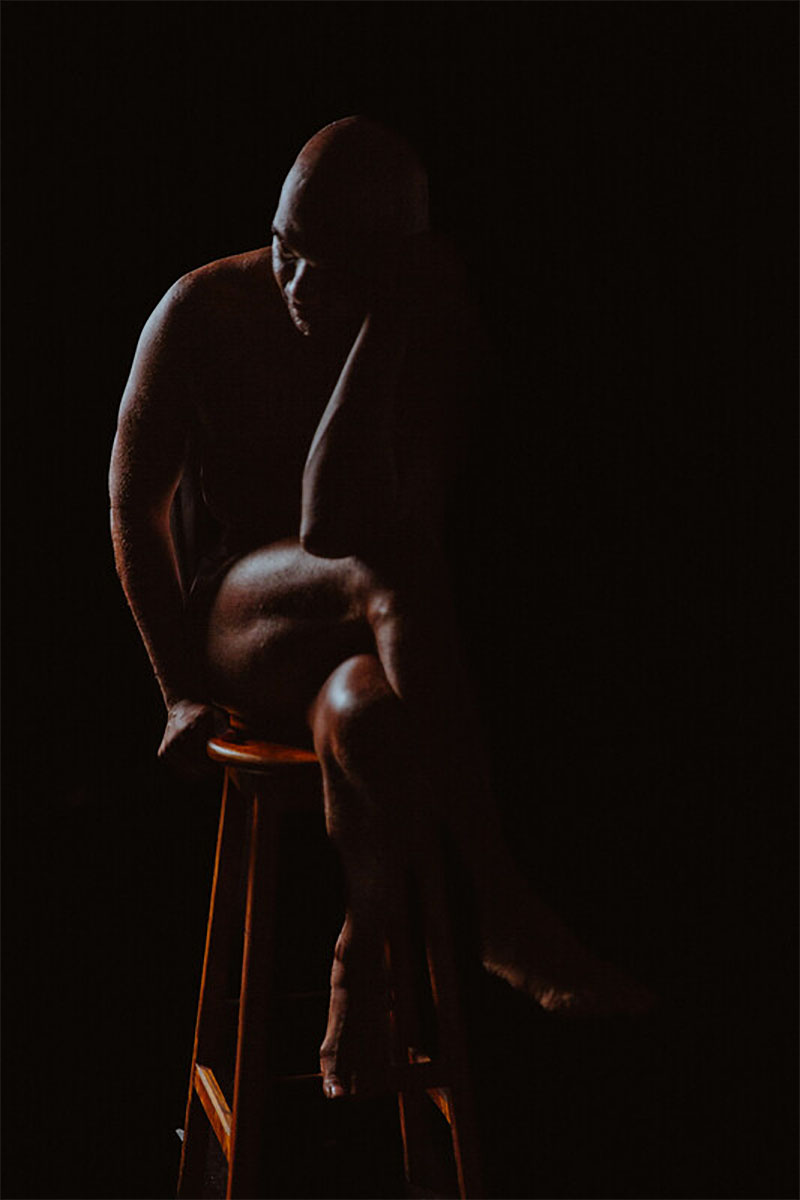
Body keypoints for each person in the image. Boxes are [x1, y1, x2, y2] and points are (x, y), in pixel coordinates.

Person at [109, 116, 653, 1101]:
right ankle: (500, 902)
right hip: (244, 623)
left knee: (368, 714)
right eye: (284, 247)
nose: (295, 283)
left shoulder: (431, 330)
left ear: (394, 269)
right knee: (383, 570)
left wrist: (386, 329)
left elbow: (348, 515)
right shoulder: (202, 307)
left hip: (368, 632)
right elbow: (135, 502)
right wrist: (176, 689)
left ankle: (361, 948)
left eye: (330, 268)